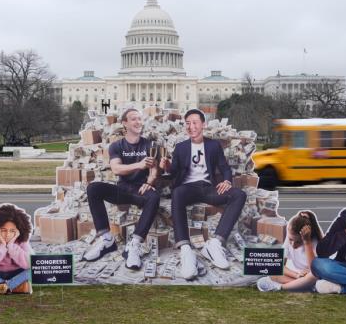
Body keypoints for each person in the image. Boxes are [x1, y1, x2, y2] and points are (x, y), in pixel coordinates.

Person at [160, 109, 247, 280]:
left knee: (240, 195)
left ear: (203, 125)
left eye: (195, 123)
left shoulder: (213, 145)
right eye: (188, 123)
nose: (191, 127)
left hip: (209, 188)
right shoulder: (181, 147)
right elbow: (173, 173)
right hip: (188, 188)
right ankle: (185, 249)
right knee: (177, 193)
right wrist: (167, 166)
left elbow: (224, 168)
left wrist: (227, 181)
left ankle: (214, 244)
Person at [83, 108, 160, 270]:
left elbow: (154, 169)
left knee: (154, 197)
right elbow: (116, 169)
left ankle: (134, 244)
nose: (138, 122)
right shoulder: (116, 146)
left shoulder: (150, 145)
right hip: (122, 190)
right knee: (93, 188)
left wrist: (151, 181)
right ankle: (106, 239)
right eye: (134, 119)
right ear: (124, 123)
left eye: (140, 119)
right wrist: (139, 165)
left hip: (141, 191)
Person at [257, 210, 322, 292]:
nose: (293, 245)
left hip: (311, 276)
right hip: (298, 276)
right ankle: (301, 286)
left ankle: (280, 287)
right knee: (273, 270)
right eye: (291, 239)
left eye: (298, 242)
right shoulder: (290, 237)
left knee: (313, 276)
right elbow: (279, 265)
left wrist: (307, 242)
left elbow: (314, 270)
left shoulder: (315, 243)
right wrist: (297, 275)